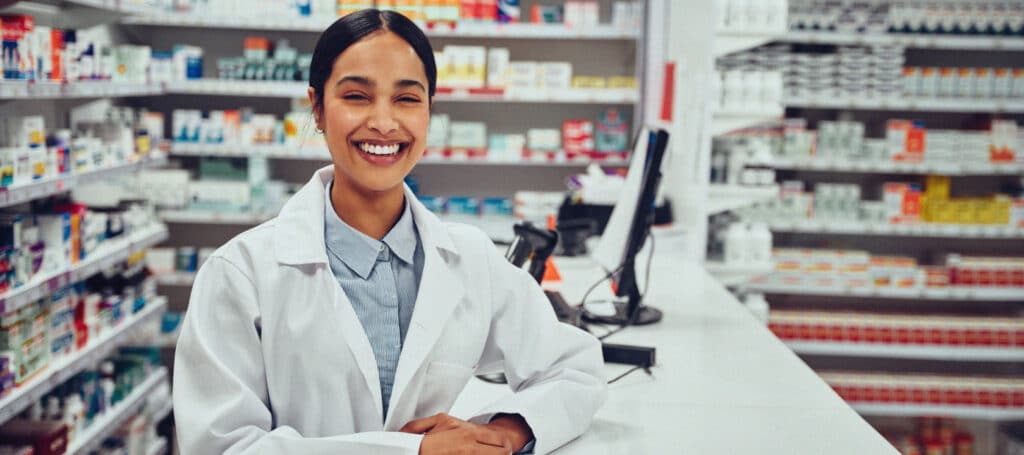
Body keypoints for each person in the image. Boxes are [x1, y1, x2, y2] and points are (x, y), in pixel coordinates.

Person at [173, 9, 607, 455]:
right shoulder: (240, 274)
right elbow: (221, 447)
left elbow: (575, 370)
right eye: (357, 96)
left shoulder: (470, 259)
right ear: (317, 107)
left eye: (407, 99)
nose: (383, 122)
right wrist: (409, 452)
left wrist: (504, 431)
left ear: (429, 111)